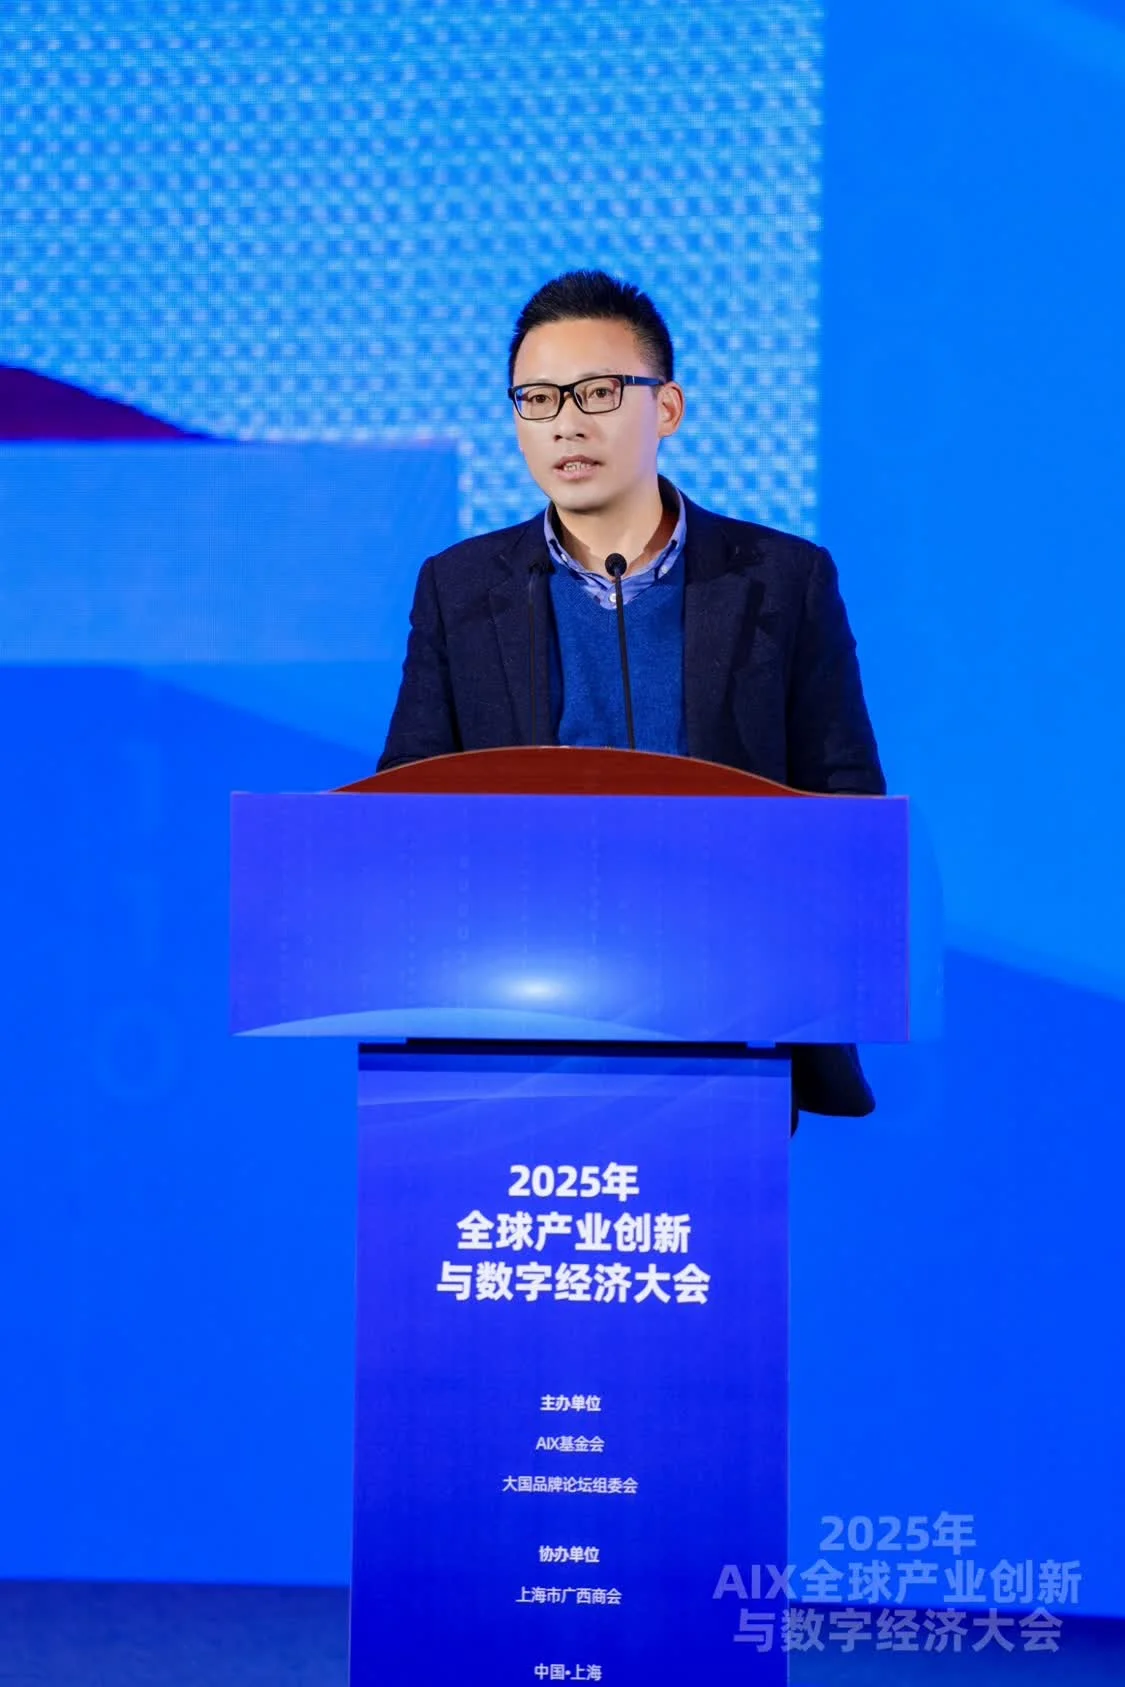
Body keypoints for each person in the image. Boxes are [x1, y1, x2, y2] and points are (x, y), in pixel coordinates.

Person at [379, 269, 885, 1118]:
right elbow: (404, 809)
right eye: (537, 399)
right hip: (509, 1027)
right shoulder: (457, 588)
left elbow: (843, 801)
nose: (566, 422)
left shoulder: (782, 580)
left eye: (598, 392)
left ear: (667, 408)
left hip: (727, 1020)